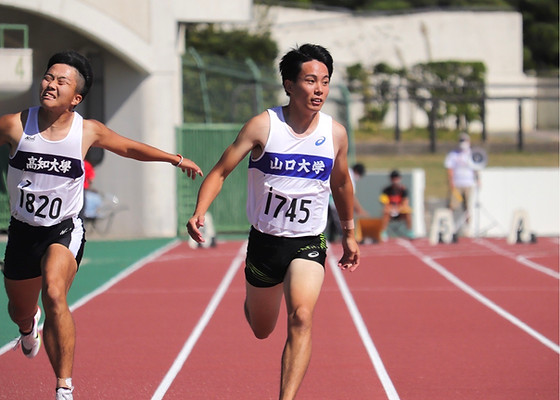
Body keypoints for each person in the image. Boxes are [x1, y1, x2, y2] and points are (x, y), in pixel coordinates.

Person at [0, 50, 202, 400]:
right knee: (19, 310)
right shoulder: (15, 124)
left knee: (53, 290)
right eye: (48, 77)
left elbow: (128, 148)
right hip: (21, 231)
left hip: (62, 229)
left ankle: (64, 386)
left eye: (61, 81)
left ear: (76, 98)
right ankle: (27, 327)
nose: (51, 84)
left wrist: (175, 158)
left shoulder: (87, 131)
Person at [187, 43, 359, 400]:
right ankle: (253, 303)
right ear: (289, 84)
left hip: (308, 241)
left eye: (325, 82)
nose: (319, 90)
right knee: (262, 329)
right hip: (265, 243)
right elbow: (220, 171)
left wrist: (350, 234)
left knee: (301, 316)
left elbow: (341, 182)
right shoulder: (264, 126)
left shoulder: (336, 134)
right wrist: (199, 210)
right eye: (311, 81)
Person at [444, 132, 479, 235]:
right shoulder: (453, 154)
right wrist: (451, 182)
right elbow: (449, 168)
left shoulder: (472, 153)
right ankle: (448, 226)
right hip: (457, 184)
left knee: (467, 207)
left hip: (468, 183)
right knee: (452, 205)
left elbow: (476, 168)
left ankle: (467, 228)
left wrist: (478, 180)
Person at [327, 162, 369, 241]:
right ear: (357, 172)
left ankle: (331, 238)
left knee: (330, 219)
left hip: (328, 196)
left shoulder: (346, 171)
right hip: (332, 198)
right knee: (338, 218)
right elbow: (350, 195)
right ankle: (344, 237)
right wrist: (359, 209)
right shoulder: (350, 175)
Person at [379, 169, 413, 241]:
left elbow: (405, 203)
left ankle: (410, 231)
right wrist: (392, 209)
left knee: (408, 212)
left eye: (396, 178)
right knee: (386, 212)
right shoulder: (386, 190)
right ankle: (383, 232)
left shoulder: (404, 190)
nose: (395, 180)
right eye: (393, 178)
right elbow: (384, 203)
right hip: (390, 212)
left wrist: (398, 209)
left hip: (400, 212)